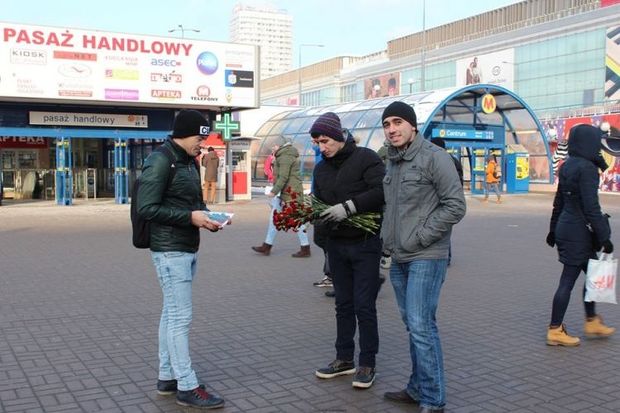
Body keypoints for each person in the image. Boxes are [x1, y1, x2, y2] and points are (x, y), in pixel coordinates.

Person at [380, 101, 466, 413]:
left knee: (421, 325)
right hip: (399, 256)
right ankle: (418, 387)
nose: (391, 129)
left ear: (412, 125)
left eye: (397, 122)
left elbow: (455, 205)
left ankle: (433, 399)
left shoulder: (434, 157)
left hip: (426, 255)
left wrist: (420, 236)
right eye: (387, 124)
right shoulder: (392, 161)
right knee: (413, 325)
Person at [137, 109, 225, 409]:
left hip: (186, 246)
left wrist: (209, 217)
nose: (202, 144)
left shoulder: (188, 161)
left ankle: (167, 377)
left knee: (171, 313)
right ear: (184, 134)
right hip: (169, 249)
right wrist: (190, 217)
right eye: (200, 138)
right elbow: (146, 208)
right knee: (180, 317)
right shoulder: (161, 160)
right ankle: (186, 385)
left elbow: (193, 202)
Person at [310, 112, 385, 389]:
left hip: (365, 243)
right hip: (337, 245)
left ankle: (367, 362)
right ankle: (344, 359)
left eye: (325, 141)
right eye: (317, 143)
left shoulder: (366, 158)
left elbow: (382, 191)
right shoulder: (321, 169)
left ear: (339, 137)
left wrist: (349, 207)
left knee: (364, 305)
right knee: (343, 304)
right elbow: (318, 202)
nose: (322, 148)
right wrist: (320, 229)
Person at [545, 124, 615, 347]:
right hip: (579, 233)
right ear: (588, 142)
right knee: (568, 280)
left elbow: (558, 202)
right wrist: (604, 237)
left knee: (593, 274)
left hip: (567, 228)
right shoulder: (587, 169)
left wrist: (553, 230)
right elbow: (591, 207)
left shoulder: (567, 166)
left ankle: (592, 321)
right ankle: (555, 330)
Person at [252, 137, 311, 257]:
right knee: (274, 219)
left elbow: (283, 177)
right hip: (284, 193)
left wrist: (274, 191)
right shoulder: (283, 155)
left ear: (280, 146)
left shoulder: (285, 157)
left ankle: (305, 248)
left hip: (291, 193)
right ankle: (267, 246)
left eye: (274, 146)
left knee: (296, 220)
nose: (272, 148)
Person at [431, 137, 464, 266]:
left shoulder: (439, 160)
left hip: (440, 199)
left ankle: (445, 257)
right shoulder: (454, 160)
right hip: (451, 198)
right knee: (444, 228)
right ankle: (446, 257)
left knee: (440, 228)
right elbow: (459, 180)